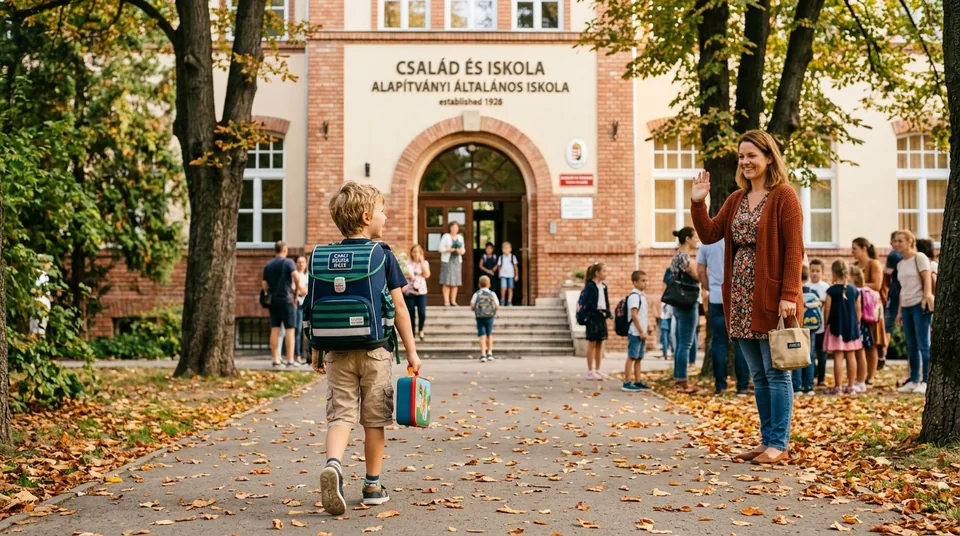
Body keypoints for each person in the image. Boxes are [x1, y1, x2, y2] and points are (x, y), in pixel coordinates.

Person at [691, 129, 804, 465]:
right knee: (757, 375)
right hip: (740, 296)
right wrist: (698, 202)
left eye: (752, 155)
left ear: (769, 157)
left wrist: (789, 293)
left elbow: (795, 250)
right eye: (742, 156)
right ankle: (767, 440)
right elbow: (710, 234)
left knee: (776, 371)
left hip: (771, 295)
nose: (746, 162)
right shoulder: (736, 199)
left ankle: (779, 443)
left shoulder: (784, 196)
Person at [315, 181, 421, 515]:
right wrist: (412, 351)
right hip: (375, 350)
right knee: (374, 420)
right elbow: (401, 308)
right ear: (366, 216)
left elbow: (314, 304)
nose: (385, 216)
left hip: (336, 351)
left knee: (340, 415)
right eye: (382, 211)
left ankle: (333, 465)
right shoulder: (382, 255)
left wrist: (315, 351)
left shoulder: (325, 256)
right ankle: (373, 485)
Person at [698, 239, 750, 395]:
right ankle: (742, 385)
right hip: (738, 297)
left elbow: (700, 271)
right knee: (741, 342)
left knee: (719, 341)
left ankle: (720, 385)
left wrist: (710, 287)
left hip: (717, 297)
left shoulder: (707, 243)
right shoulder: (739, 236)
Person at [894, 230, 934, 394]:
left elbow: (926, 279)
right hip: (906, 306)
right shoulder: (900, 263)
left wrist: (926, 297)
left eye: (900, 241)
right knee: (911, 345)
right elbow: (902, 289)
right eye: (895, 241)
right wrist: (898, 312)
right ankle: (914, 380)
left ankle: (926, 381)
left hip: (920, 305)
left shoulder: (920, 258)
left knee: (924, 344)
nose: (896, 244)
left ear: (910, 241)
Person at [668, 227, 701, 392]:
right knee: (686, 343)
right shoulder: (685, 258)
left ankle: (678, 377)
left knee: (681, 342)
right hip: (688, 302)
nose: (697, 240)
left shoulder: (676, 257)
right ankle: (682, 381)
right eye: (695, 237)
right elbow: (698, 276)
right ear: (687, 239)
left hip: (678, 303)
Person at [823, 260, 862, 395]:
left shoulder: (831, 291)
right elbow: (858, 310)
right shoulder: (854, 290)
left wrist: (826, 323)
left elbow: (827, 309)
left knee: (838, 357)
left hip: (836, 327)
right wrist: (857, 324)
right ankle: (851, 386)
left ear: (833, 273)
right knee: (851, 356)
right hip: (851, 328)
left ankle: (837, 387)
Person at [852, 237, 886, 384]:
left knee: (871, 343)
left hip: (871, 309)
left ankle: (871, 376)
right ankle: (860, 376)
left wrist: (858, 285)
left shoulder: (874, 264)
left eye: (855, 248)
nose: (852, 251)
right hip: (857, 308)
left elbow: (877, 285)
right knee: (860, 343)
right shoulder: (854, 265)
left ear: (864, 249)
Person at [263, 241, 301, 368]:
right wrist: (296, 293)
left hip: (273, 300)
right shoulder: (288, 262)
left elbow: (264, 285)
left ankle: (275, 359)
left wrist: (267, 293)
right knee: (290, 329)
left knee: (275, 328)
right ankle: (290, 360)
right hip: (287, 300)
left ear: (275, 250)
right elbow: (297, 278)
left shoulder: (269, 264)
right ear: (285, 250)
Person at [623, 270, 652, 392]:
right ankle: (627, 382)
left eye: (646, 280)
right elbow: (634, 316)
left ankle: (637, 380)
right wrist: (641, 331)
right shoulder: (634, 297)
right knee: (632, 356)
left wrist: (648, 326)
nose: (646, 283)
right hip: (635, 332)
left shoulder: (641, 296)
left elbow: (643, 315)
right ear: (635, 282)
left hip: (641, 332)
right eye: (642, 281)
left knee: (639, 357)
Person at [582, 262, 611, 380]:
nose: (606, 273)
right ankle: (590, 371)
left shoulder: (603, 286)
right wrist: (598, 311)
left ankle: (598, 369)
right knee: (592, 342)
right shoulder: (590, 286)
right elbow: (588, 303)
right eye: (604, 271)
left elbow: (606, 301)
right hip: (593, 316)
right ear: (597, 273)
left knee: (600, 342)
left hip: (601, 316)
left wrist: (607, 312)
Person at [792, 265, 817, 396]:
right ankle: (809, 386)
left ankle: (796, 386)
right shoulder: (813, 292)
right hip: (811, 327)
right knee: (810, 355)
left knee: (796, 355)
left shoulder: (795, 291)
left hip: (797, 327)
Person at [849, 266, 875, 392]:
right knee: (860, 353)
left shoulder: (855, 291)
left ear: (853, 277)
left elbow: (857, 310)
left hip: (858, 325)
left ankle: (860, 381)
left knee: (860, 353)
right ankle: (859, 380)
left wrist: (856, 325)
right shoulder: (864, 290)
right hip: (863, 325)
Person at [808, 259, 830, 386]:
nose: (815, 274)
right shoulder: (806, 286)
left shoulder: (825, 287)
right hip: (809, 327)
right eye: (812, 271)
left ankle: (821, 378)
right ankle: (812, 374)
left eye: (817, 271)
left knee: (822, 354)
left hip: (822, 326)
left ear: (822, 272)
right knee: (810, 354)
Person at [404, 244, 431, 341]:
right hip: (409, 291)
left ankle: (421, 330)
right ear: (411, 253)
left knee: (422, 313)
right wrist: (409, 276)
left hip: (421, 291)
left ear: (421, 253)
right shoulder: (407, 263)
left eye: (418, 252)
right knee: (410, 313)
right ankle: (412, 333)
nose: (416, 254)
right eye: (414, 252)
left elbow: (427, 274)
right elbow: (402, 275)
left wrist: (422, 262)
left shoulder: (425, 263)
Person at [471, 275, 499, 363]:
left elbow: (472, 305)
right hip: (490, 316)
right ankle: (489, 353)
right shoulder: (492, 294)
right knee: (489, 334)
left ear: (479, 285)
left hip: (479, 317)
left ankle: (483, 354)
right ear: (489, 285)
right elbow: (497, 305)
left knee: (481, 335)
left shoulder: (477, 294)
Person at [439, 221, 466, 306]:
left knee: (455, 282)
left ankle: (453, 301)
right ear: (450, 228)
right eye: (453, 227)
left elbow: (463, 250)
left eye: (456, 227)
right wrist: (450, 249)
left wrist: (460, 251)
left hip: (457, 261)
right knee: (447, 281)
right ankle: (446, 301)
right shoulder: (446, 236)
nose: (454, 229)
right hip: (447, 260)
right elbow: (440, 248)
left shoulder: (460, 237)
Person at [294, 255, 309, 365]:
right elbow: (295, 291)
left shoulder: (308, 276)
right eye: (299, 262)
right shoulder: (295, 275)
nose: (301, 264)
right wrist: (301, 290)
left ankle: (308, 356)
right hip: (298, 305)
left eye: (303, 262)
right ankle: (297, 355)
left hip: (307, 305)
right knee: (298, 330)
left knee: (308, 331)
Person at [498, 242, 519, 306]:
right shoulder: (501, 257)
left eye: (507, 248)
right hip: (503, 275)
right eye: (505, 248)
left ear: (510, 249)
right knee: (503, 287)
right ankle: (503, 299)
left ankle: (509, 301)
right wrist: (499, 273)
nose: (506, 250)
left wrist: (516, 275)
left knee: (510, 288)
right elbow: (499, 266)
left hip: (511, 275)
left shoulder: (513, 257)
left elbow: (515, 267)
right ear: (502, 250)